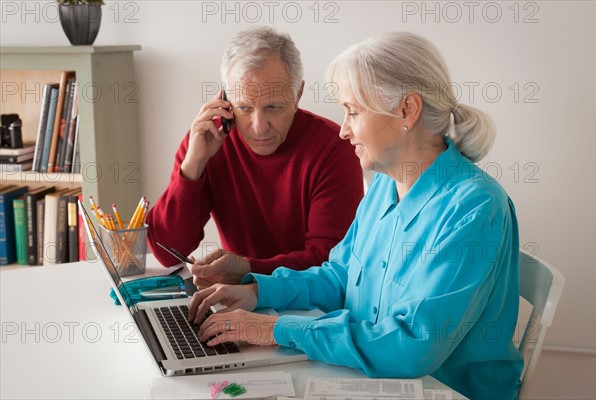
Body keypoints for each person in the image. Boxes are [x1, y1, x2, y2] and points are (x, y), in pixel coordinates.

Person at [188, 32, 524, 399]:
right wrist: (257, 290)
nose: (344, 129)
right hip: (375, 381)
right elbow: (340, 276)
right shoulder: (385, 184)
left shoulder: (475, 207)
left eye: (353, 111)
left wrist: (275, 329)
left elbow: (413, 346)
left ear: (406, 110)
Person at [147, 27, 364, 287]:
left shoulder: (334, 148)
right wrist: (193, 166)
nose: (259, 127)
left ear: (298, 95)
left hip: (310, 308)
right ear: (226, 99)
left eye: (273, 107)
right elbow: (166, 253)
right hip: (233, 302)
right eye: (244, 108)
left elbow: (331, 262)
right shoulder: (207, 140)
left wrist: (248, 270)